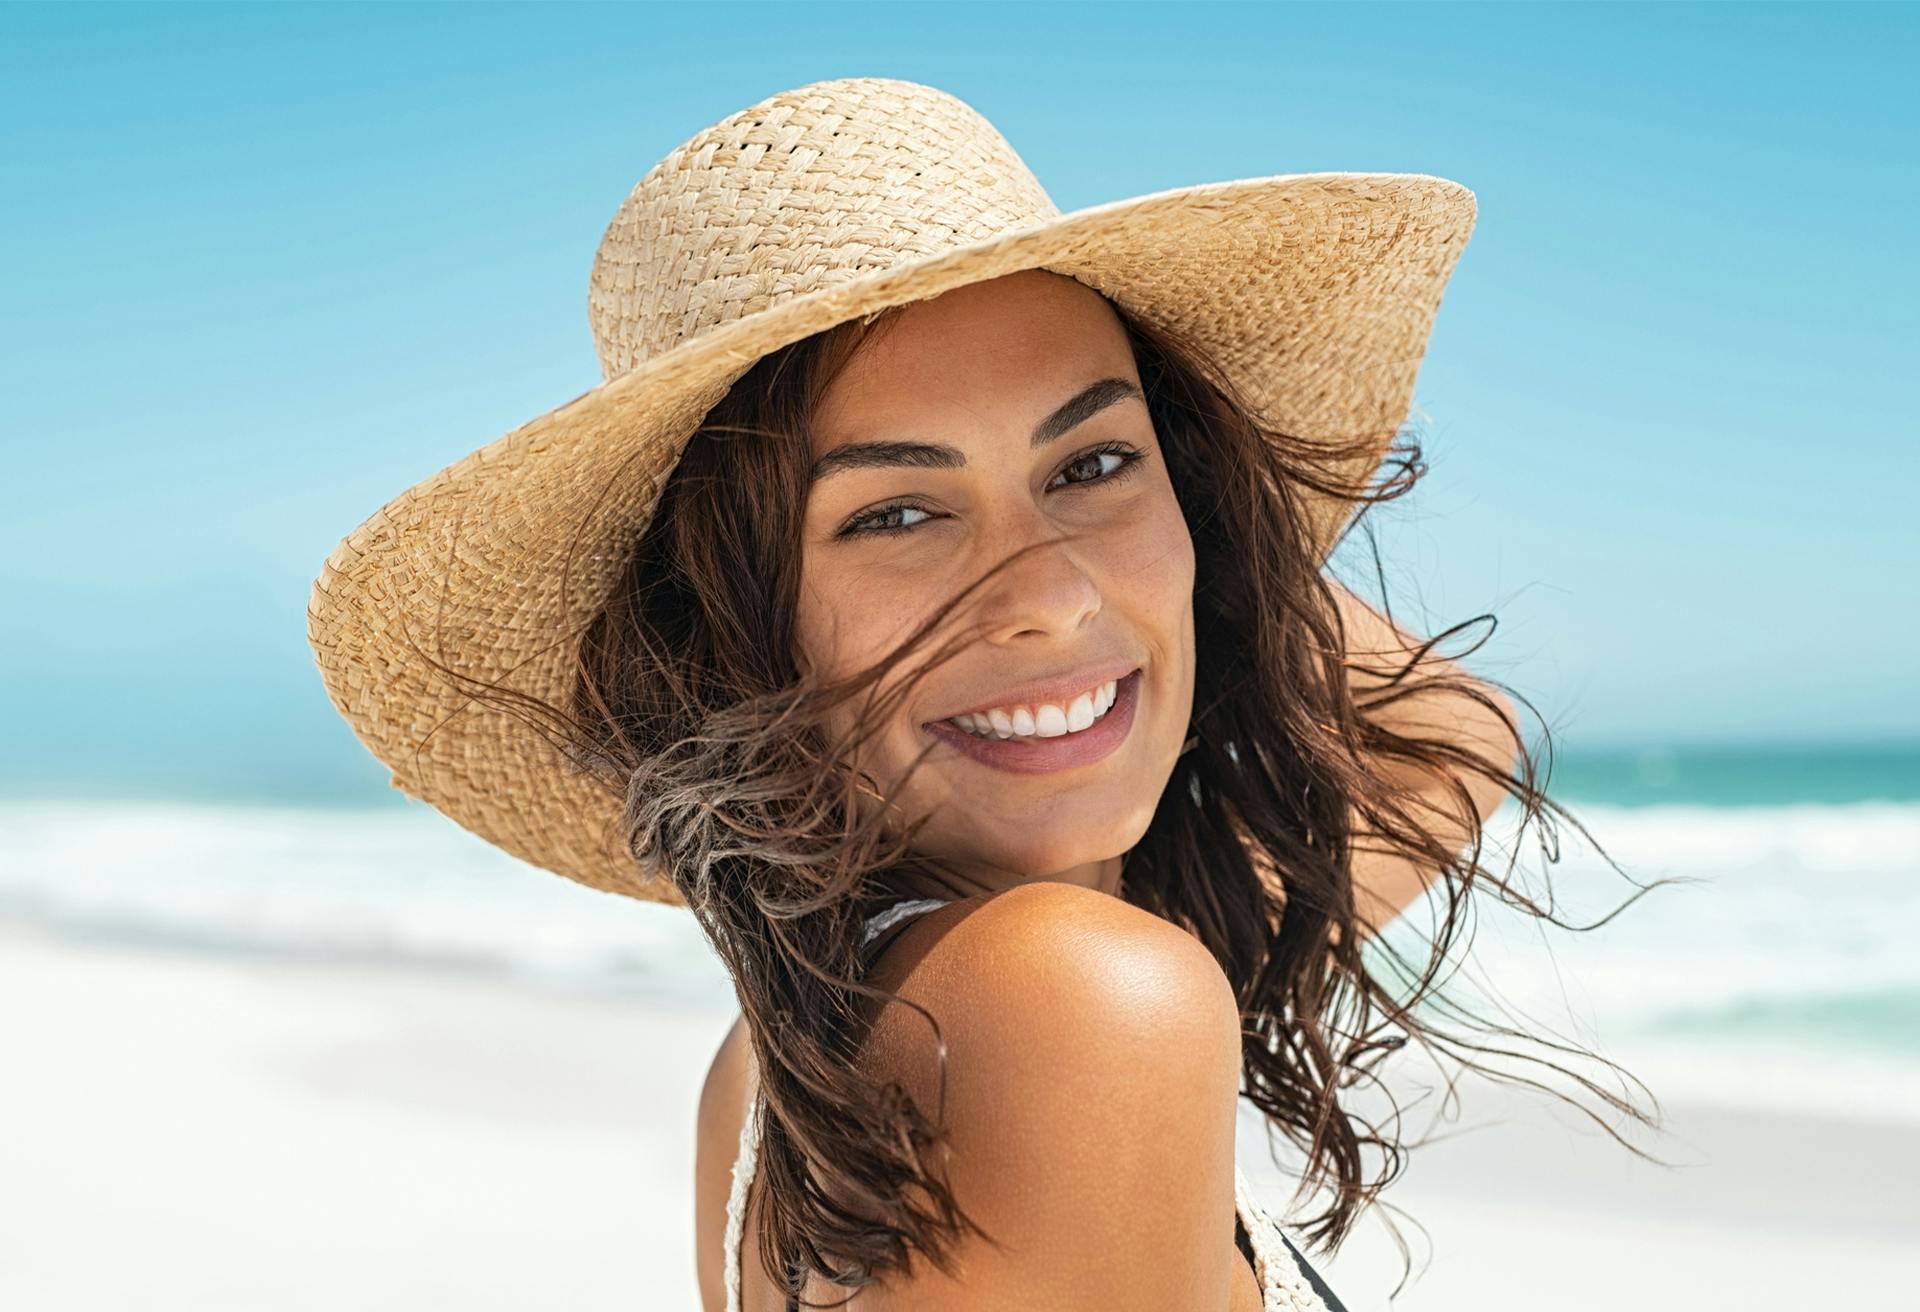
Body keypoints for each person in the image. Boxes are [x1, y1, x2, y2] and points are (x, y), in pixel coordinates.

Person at [308, 76, 1670, 1312]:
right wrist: (1144, 566)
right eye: (898, 513)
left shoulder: (803, 1055)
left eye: (1090, 466)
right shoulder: (1071, 1004)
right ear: (736, 633)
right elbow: (1446, 730)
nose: (1051, 597)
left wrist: (1205, 553)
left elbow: (1444, 741)